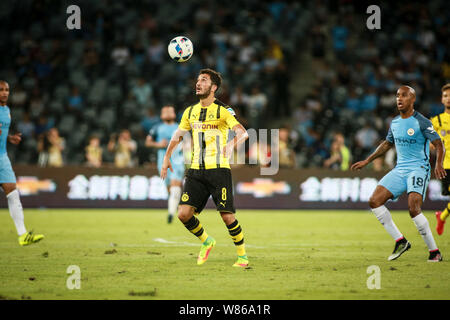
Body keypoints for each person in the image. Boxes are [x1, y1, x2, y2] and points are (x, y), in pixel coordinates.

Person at [160, 69, 249, 267]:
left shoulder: (223, 110)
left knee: (227, 217)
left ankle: (242, 256)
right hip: (195, 171)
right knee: (183, 214)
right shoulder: (190, 112)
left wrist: (230, 145)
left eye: (204, 80)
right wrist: (167, 157)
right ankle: (206, 241)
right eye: (198, 80)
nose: (198, 83)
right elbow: (177, 135)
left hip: (218, 170)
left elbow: (243, 134)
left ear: (213, 87)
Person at [351, 86, 445, 262]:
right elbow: (387, 144)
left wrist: (438, 164)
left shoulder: (422, 122)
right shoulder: (395, 122)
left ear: (412, 99)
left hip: (418, 168)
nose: (399, 99)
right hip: (400, 169)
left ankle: (434, 252)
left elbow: (439, 144)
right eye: (397, 96)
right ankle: (401, 241)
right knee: (374, 201)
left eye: (404, 95)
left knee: (413, 209)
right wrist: (368, 160)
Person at [0, 80, 44, 245]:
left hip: (2, 157)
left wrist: (9, 137)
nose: (4, 93)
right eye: (1, 90)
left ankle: (23, 235)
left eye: (7, 90)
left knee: (12, 192)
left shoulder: (7, 110)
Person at [146, 105, 184, 223]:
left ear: (174, 114)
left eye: (170, 111)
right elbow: (148, 142)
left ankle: (171, 214)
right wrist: (158, 145)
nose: (167, 113)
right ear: (162, 115)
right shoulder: (156, 128)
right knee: (169, 188)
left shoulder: (180, 127)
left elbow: (189, 141)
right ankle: (175, 206)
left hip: (177, 160)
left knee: (174, 187)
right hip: (162, 161)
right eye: (165, 112)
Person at [431, 83, 450, 235]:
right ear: (442, 100)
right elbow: (430, 145)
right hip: (446, 166)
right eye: (445, 96)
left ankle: (442, 216)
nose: (448, 99)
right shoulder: (435, 120)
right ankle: (442, 216)